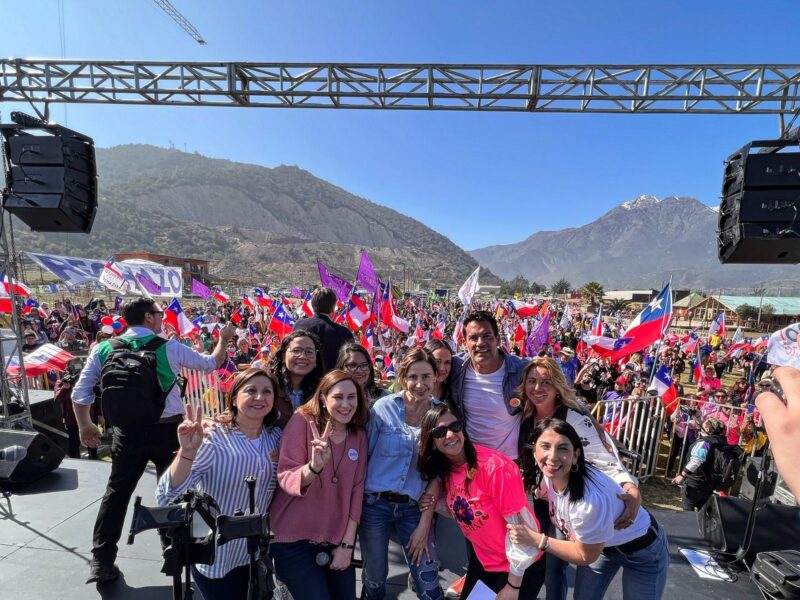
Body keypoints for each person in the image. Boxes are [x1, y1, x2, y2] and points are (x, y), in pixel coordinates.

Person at [72, 298, 236, 585]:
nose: (162, 319)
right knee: (172, 492)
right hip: (168, 432)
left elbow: (80, 392)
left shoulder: (104, 348)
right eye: (159, 314)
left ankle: (102, 560)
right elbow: (212, 363)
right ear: (149, 318)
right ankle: (172, 550)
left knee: (117, 494)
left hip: (127, 434)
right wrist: (222, 339)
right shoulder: (169, 347)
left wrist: (85, 424)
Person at [516, 357, 641, 600]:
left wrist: (630, 487)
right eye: (532, 381)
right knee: (539, 559)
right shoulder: (523, 414)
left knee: (554, 564)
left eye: (546, 382)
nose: (538, 388)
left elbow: (603, 456)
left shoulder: (573, 418)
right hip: (541, 498)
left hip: (569, 497)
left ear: (557, 386)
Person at [156, 368, 282, 598]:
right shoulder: (213, 437)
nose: (259, 398)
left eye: (267, 392)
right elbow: (167, 496)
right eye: (251, 391)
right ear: (234, 397)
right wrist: (186, 453)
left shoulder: (275, 437)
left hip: (255, 552)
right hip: (217, 557)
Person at [509, 418, 669, 600]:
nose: (552, 456)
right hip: (602, 548)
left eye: (562, 448)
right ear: (534, 451)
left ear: (576, 455)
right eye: (545, 446)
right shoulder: (549, 476)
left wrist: (537, 539)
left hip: (643, 553)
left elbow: (584, 556)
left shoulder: (589, 502)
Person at [418, 404, 543, 599]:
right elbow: (466, 508)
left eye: (455, 426)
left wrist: (513, 585)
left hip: (519, 566)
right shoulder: (449, 469)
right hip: (486, 562)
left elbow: (524, 531)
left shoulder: (494, 467)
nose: (450, 434)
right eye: (440, 432)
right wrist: (428, 502)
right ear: (432, 441)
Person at [269, 370, 369, 600]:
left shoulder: (358, 436)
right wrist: (313, 467)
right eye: (338, 397)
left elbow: (357, 490)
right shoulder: (303, 421)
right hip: (293, 538)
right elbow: (287, 477)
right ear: (323, 398)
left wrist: (347, 546)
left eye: (351, 397)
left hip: (334, 539)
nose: (345, 404)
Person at [361, 348, 444, 600]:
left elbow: (440, 471)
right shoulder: (382, 409)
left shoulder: (442, 414)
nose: (420, 384)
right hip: (375, 506)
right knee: (375, 578)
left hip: (414, 509)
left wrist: (425, 524)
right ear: (403, 377)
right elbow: (365, 456)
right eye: (413, 377)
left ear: (435, 377)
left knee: (428, 582)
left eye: (426, 377)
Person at [756, 366, 800, 498]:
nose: (764, 386)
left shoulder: (777, 397)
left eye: (767, 384)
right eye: (762, 384)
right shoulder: (756, 395)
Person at [268, 330, 325, 428]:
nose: (303, 356)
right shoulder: (268, 386)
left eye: (309, 352)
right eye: (296, 350)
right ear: (283, 356)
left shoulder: (323, 391)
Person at [671, 417, 729, 510]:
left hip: (695, 482)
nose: (701, 425)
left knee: (688, 510)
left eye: (704, 424)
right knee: (703, 512)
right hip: (709, 483)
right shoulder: (721, 441)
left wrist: (681, 475)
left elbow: (696, 461)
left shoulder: (705, 442)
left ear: (707, 429)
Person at [294, 287, 354, 373]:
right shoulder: (343, 333)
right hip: (331, 381)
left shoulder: (299, 325)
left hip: (302, 378)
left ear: (312, 305)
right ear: (333, 307)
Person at [424, 339, 453, 404]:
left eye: (447, 362)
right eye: (437, 362)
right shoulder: (415, 391)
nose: (442, 368)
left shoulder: (454, 393)